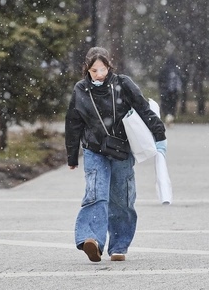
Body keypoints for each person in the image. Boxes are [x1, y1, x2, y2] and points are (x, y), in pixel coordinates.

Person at [65, 47, 167, 263]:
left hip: (122, 149)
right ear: (87, 70)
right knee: (96, 193)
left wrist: (160, 134)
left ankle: (119, 245)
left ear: (109, 67)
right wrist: (72, 156)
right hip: (94, 149)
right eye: (94, 70)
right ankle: (91, 239)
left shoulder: (123, 84)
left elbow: (142, 107)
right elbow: (73, 123)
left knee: (122, 199)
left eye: (102, 69)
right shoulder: (81, 90)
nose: (99, 74)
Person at [158, 56, 182, 124]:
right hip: (175, 91)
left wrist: (161, 88)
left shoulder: (164, 70)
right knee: (173, 104)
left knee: (165, 104)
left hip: (165, 91)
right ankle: (171, 116)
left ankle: (167, 116)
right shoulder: (177, 70)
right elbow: (181, 80)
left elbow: (160, 80)